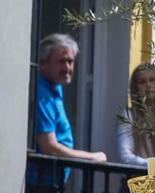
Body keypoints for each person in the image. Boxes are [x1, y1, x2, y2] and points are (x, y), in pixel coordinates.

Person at [34, 34, 105, 167]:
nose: (67, 68)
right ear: (43, 64)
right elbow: (50, 149)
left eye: (70, 61)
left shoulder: (55, 86)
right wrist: (92, 157)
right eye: (61, 62)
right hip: (41, 182)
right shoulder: (42, 94)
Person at [116, 62, 155, 168]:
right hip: (139, 180)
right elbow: (125, 156)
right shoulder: (129, 116)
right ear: (136, 88)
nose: (148, 85)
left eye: (152, 80)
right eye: (142, 82)